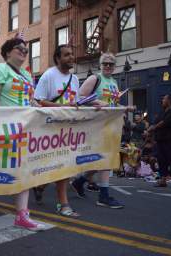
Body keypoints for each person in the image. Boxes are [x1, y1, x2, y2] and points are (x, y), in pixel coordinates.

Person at [0, 36, 45, 231]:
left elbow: (29, 99)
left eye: (26, 50)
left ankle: (22, 215)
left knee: (24, 169)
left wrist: (39, 108)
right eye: (19, 49)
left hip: (25, 128)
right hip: (5, 128)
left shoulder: (26, 74)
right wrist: (2, 122)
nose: (24, 52)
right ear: (7, 52)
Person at [72, 52, 128, 209]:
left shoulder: (114, 82)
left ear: (114, 66)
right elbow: (79, 98)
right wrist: (98, 102)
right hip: (96, 125)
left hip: (110, 124)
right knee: (106, 159)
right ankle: (103, 196)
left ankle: (79, 181)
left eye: (111, 64)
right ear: (100, 65)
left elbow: (112, 103)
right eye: (105, 63)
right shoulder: (95, 79)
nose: (108, 66)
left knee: (102, 159)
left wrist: (123, 109)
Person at [33, 44, 80, 217]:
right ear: (58, 58)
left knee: (64, 165)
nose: (71, 57)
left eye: (72, 54)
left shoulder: (74, 79)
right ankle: (62, 203)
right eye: (67, 55)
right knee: (58, 165)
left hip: (68, 129)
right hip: (50, 129)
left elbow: (76, 103)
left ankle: (46, 190)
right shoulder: (49, 75)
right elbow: (38, 101)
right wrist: (62, 106)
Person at [147, 95, 171, 189]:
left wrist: (154, 127)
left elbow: (166, 122)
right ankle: (163, 180)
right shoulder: (163, 111)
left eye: (164, 99)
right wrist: (151, 130)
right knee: (162, 160)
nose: (162, 100)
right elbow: (156, 121)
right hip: (161, 140)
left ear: (169, 100)